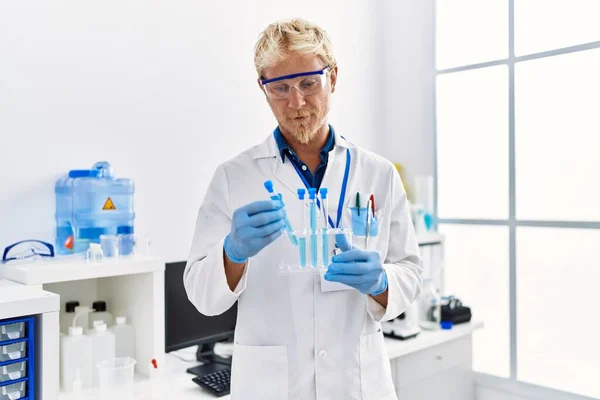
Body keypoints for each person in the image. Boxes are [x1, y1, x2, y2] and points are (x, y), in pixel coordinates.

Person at [185, 18, 423, 400]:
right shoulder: (233, 177)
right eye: (280, 87)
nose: (296, 103)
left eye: (309, 83)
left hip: (356, 381)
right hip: (272, 386)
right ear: (263, 90)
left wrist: (382, 283)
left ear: (333, 77)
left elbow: (410, 272)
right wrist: (231, 254)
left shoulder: (378, 174)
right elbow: (201, 295)